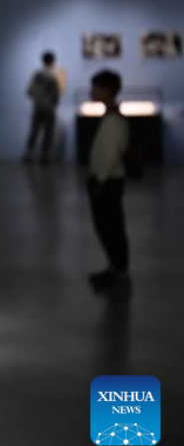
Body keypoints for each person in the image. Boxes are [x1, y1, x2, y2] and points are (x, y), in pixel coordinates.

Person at [86, 69, 130, 291]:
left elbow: (110, 155)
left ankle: (119, 272)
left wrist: (99, 180)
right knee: (108, 227)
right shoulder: (111, 117)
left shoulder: (113, 121)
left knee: (111, 228)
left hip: (107, 182)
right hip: (106, 180)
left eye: (95, 87)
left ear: (106, 90)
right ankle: (115, 268)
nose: (91, 91)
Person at [23, 51, 63, 162]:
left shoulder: (36, 74)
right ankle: (45, 155)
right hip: (49, 108)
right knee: (48, 133)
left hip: (38, 107)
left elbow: (29, 91)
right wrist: (52, 102)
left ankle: (29, 153)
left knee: (34, 131)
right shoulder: (53, 75)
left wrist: (38, 97)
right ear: (53, 61)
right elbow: (56, 94)